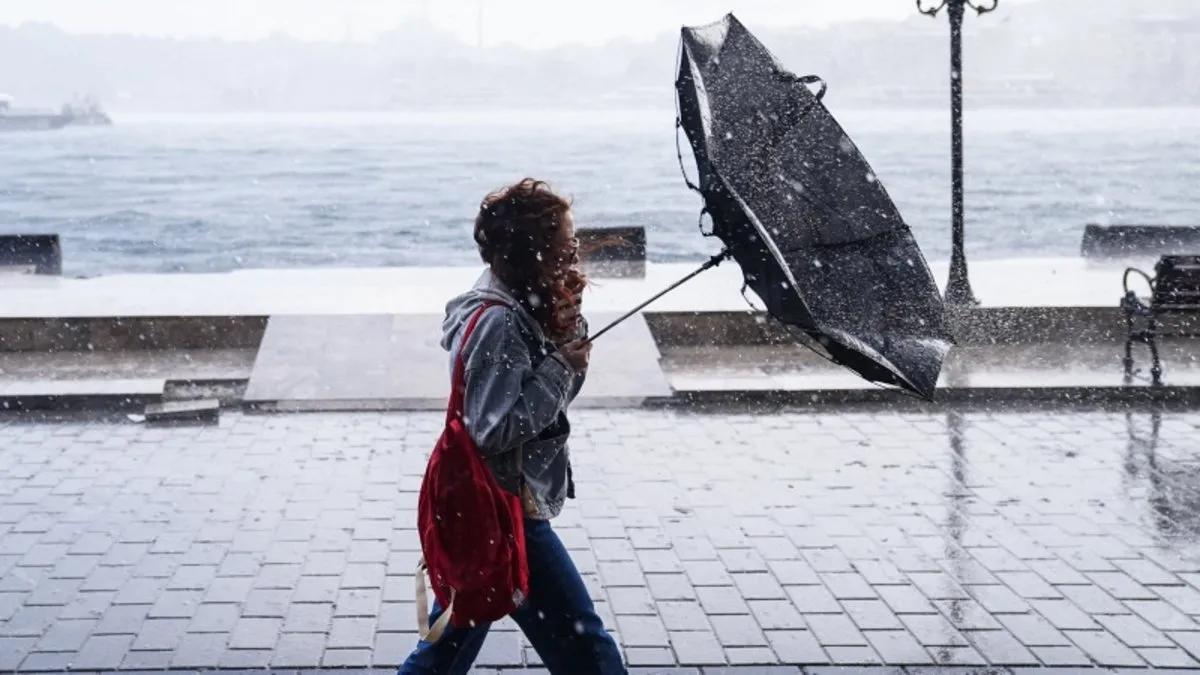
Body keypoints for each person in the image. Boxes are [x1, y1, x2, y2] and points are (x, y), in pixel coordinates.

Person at [398, 178, 627, 675]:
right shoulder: (501, 323)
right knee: (588, 651)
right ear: (535, 253)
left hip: (487, 504)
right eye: (565, 246)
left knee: (449, 645)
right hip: (504, 507)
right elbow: (495, 429)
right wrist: (562, 366)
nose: (574, 255)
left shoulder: (518, 302)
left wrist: (566, 337)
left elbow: (546, 406)